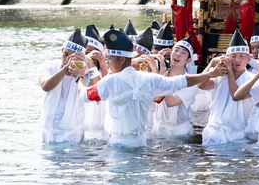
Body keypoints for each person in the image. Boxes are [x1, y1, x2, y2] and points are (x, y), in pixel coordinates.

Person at [76, 28, 223, 147]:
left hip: (119, 145)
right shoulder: (149, 78)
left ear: (121, 60)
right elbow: (183, 81)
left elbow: (85, 95)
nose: (108, 62)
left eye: (109, 60)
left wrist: (79, 77)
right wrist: (211, 73)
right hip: (140, 144)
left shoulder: (110, 81)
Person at [201, 31, 256, 145]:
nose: (237, 60)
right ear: (227, 58)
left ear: (248, 58)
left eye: (241, 56)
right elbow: (201, 85)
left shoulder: (252, 79)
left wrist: (230, 71)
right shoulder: (220, 75)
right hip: (213, 132)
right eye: (233, 56)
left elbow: (236, 95)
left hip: (238, 135)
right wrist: (211, 64)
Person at [38, 28, 91, 143]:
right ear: (61, 51)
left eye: (73, 57)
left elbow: (98, 94)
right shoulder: (49, 66)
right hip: (49, 132)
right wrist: (65, 68)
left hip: (74, 134)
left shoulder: (86, 72)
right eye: (65, 54)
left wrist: (88, 66)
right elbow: (45, 86)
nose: (67, 59)